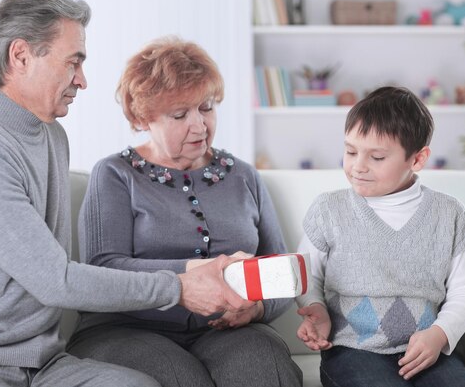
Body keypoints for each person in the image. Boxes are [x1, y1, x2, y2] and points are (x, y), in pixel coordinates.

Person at [0, 0, 253, 387]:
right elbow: (55, 279)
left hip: (40, 365)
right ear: (21, 56)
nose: (82, 80)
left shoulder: (50, 135)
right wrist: (178, 287)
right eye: (73, 62)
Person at [66, 37, 303, 387]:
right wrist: (196, 272)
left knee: (264, 364)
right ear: (143, 117)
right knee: (179, 378)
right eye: (180, 114)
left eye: (206, 108)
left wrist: (258, 308)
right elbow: (104, 267)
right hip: (124, 330)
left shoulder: (243, 175)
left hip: (224, 330)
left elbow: (279, 268)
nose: (199, 125)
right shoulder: (115, 174)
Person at [295, 86, 465, 387]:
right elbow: (304, 274)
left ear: (417, 160)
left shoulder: (449, 214)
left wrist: (440, 334)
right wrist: (316, 310)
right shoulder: (330, 209)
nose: (357, 166)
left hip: (427, 351)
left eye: (377, 157)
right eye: (351, 151)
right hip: (353, 352)